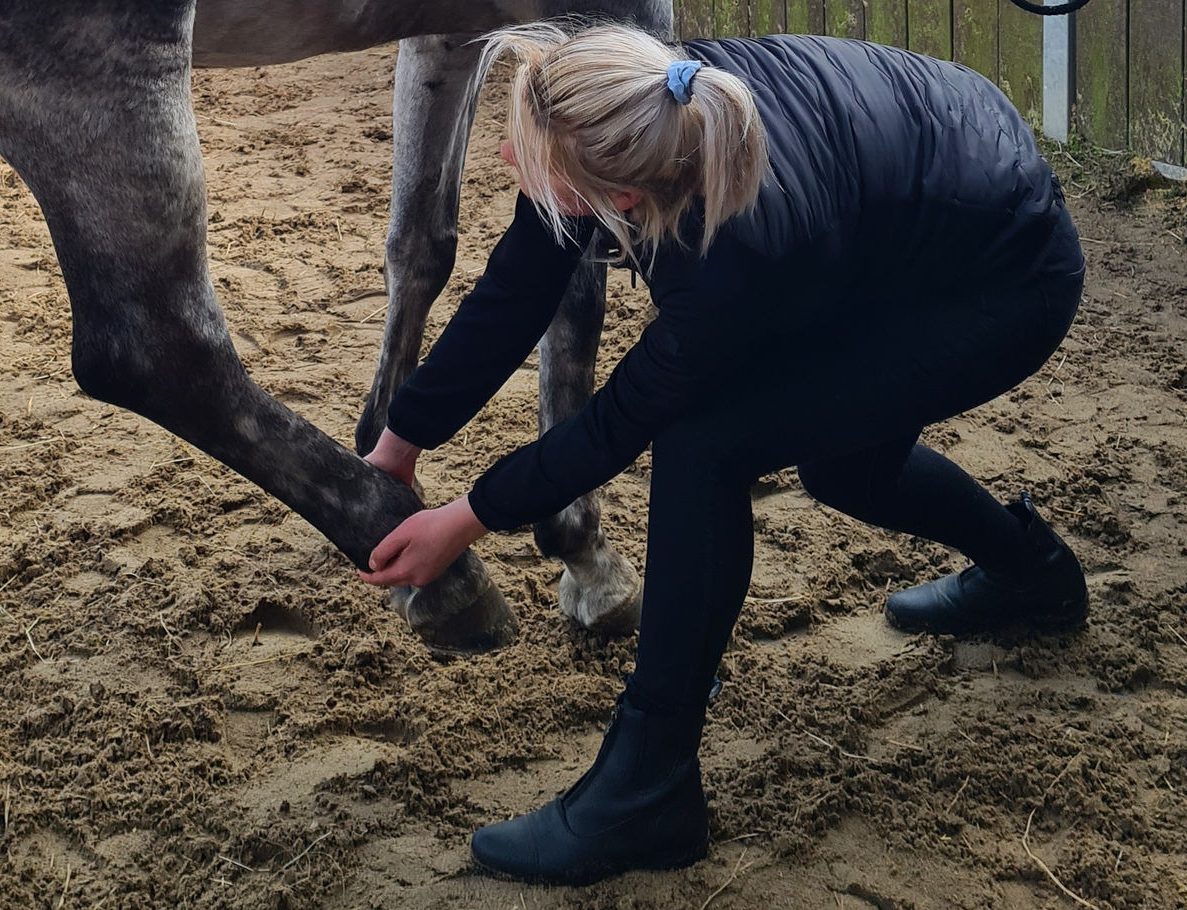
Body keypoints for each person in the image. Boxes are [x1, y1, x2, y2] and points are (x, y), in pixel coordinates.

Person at [355, 22, 1090, 886]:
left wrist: (467, 519)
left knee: (709, 442)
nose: (510, 167)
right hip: (914, 208)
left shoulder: (730, 258)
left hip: (1004, 279)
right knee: (842, 460)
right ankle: (1029, 574)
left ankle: (647, 789)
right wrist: (398, 445)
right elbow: (520, 280)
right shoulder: (635, 108)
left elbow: (615, 425)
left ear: (620, 197)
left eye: (527, 160)